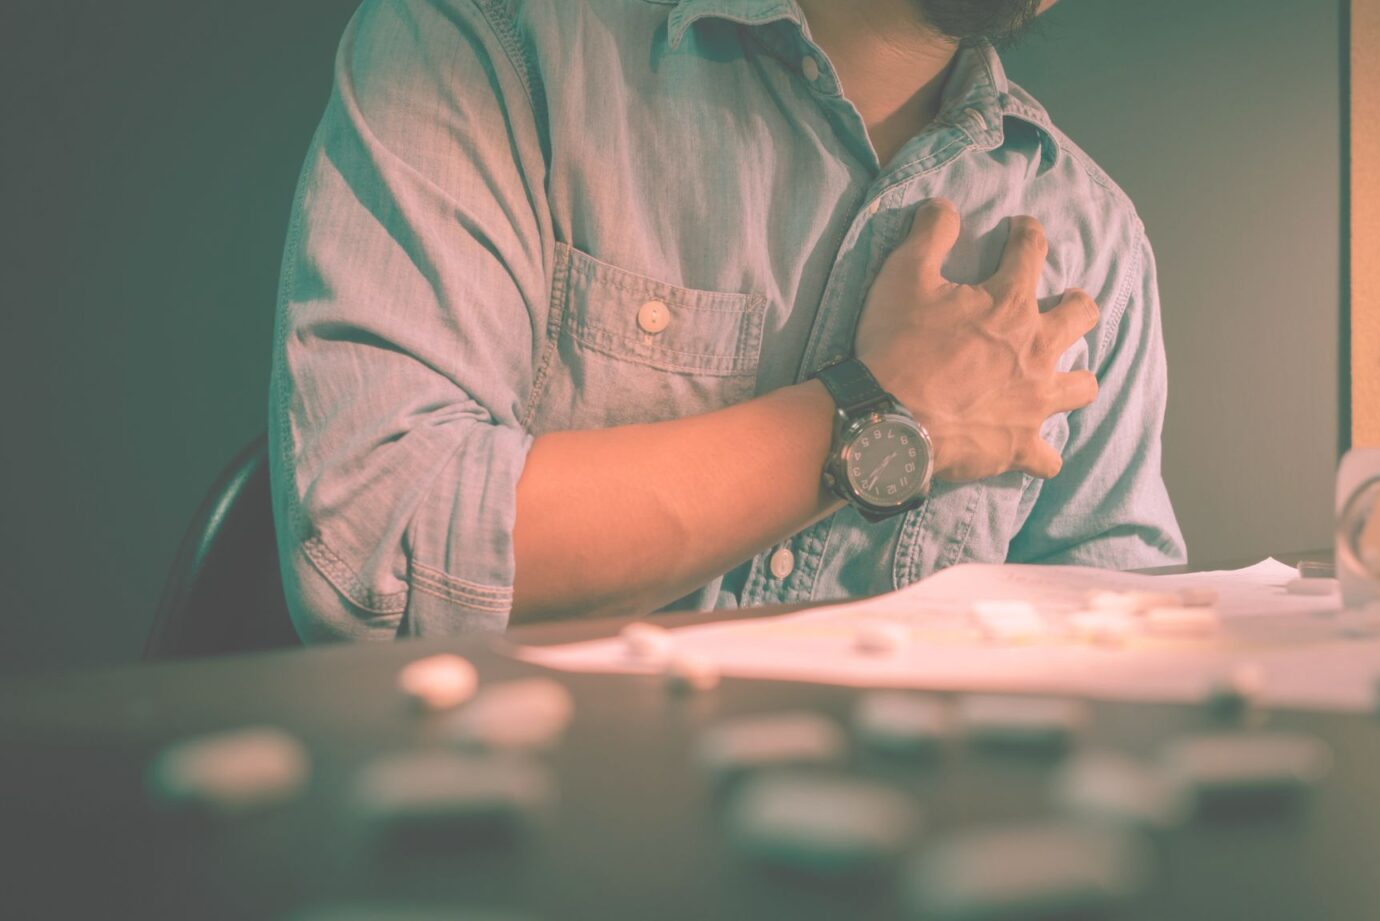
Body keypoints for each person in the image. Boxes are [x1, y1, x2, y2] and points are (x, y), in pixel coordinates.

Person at [269, 0, 1186, 641]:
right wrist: (887, 413)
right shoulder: (485, 46)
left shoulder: (1092, 241)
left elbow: (1117, 648)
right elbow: (377, 549)